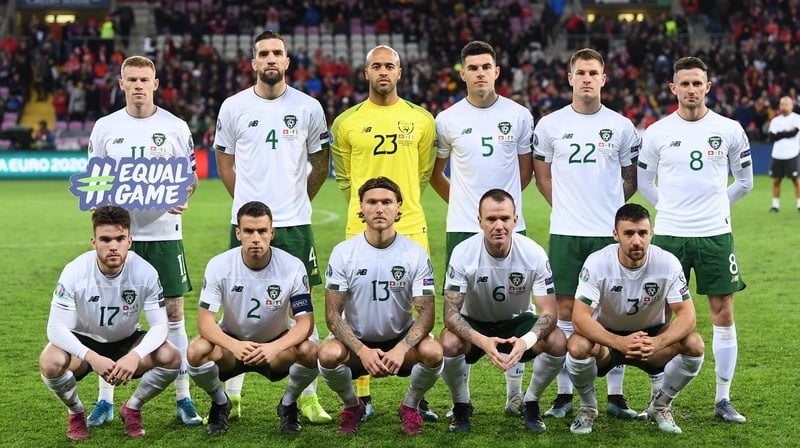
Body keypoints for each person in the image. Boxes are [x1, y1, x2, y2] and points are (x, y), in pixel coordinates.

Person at [214, 30, 331, 424]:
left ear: (286, 61)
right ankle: (233, 395)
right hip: (243, 225)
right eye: (263, 53)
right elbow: (224, 162)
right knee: (236, 305)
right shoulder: (233, 107)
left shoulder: (309, 107)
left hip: (295, 222)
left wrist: (300, 201)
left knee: (303, 308)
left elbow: (321, 163)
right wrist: (249, 211)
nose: (270, 59)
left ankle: (307, 397)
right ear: (253, 62)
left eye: (277, 53)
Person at [87, 55, 202, 427]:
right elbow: (97, 181)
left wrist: (185, 191)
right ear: (121, 84)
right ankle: (105, 400)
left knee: (173, 315)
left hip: (165, 234)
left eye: (144, 79)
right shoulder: (105, 128)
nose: (138, 85)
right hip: (121, 238)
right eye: (131, 79)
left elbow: (190, 178)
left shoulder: (175, 126)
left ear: (155, 83)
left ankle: (183, 397)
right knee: (111, 319)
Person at [638, 56, 753, 423]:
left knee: (723, 312)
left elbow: (746, 181)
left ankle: (723, 399)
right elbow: (644, 184)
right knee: (658, 316)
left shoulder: (731, 129)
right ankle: (659, 398)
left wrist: (715, 209)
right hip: (670, 233)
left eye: (697, 83)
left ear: (708, 86)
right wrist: (671, 210)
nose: (691, 89)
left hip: (715, 234)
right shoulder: (656, 132)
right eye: (684, 83)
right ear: (673, 88)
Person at [531, 47, 641, 419]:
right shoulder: (549, 125)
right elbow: (542, 176)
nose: (587, 79)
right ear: (570, 78)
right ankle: (564, 394)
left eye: (593, 73)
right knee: (564, 310)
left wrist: (608, 213)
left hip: (607, 235)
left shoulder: (622, 126)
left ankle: (615, 395)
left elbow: (631, 179)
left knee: (612, 310)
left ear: (603, 78)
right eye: (581, 73)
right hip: (565, 232)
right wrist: (563, 205)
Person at [329, 44, 437, 421]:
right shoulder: (345, 122)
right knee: (357, 308)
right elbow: (344, 176)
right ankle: (363, 392)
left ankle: (416, 397)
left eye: (389, 65)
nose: (383, 72)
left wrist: (395, 208)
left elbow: (422, 173)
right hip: (360, 222)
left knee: (417, 307)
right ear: (366, 73)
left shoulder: (422, 119)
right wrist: (367, 208)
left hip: (408, 221)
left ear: (400, 72)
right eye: (376, 66)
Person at [430, 40, 534, 417]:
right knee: (459, 315)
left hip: (510, 231)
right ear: (462, 73)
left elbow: (525, 172)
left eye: (486, 66)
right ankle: (463, 401)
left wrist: (501, 214)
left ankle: (514, 396)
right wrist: (465, 208)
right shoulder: (447, 119)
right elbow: (435, 174)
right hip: (462, 228)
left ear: (496, 71)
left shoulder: (520, 115)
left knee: (515, 309)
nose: (479, 73)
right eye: (472, 67)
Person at [39, 206, 181, 440]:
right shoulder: (75, 271)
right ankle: (76, 412)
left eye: (119, 239)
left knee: (171, 356)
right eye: (105, 239)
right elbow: (55, 328)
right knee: (50, 362)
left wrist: (135, 356)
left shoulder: (145, 272)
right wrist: (92, 357)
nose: (113, 246)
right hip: (84, 343)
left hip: (127, 341)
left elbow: (160, 326)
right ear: (94, 241)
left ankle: (132, 407)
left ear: (130, 241)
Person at [318, 177, 442, 436]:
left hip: (400, 339)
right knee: (327, 355)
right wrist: (362, 350)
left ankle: (410, 406)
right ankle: (353, 406)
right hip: (357, 341)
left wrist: (401, 349)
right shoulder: (344, 252)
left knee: (433, 351)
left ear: (399, 207)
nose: (379, 208)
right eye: (372, 202)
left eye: (387, 202)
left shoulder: (415, 253)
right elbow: (332, 315)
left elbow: (427, 313)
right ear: (361, 208)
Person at [566, 203, 705, 434]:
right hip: (607, 342)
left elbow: (688, 316)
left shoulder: (667, 262)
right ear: (615, 235)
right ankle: (588, 408)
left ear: (651, 233)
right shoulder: (597, 262)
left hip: (650, 339)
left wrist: (657, 343)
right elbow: (580, 318)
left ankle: (660, 406)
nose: (637, 241)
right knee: (578, 346)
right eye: (629, 233)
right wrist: (619, 342)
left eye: (642, 233)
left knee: (694, 344)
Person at [187, 201, 320, 436]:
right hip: (231, 347)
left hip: (275, 348)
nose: (256, 238)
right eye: (248, 231)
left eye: (262, 231)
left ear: (272, 233)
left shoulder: (293, 267)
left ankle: (288, 404)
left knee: (310, 351)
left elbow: (305, 322)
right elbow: (205, 322)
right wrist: (234, 345)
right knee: (196, 350)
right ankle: (220, 403)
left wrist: (274, 347)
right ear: (238, 233)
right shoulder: (219, 265)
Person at [440, 189, 565, 433]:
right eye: (491, 219)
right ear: (480, 221)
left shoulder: (533, 253)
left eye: (505, 219)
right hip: (474, 324)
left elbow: (549, 311)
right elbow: (451, 315)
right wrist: (482, 341)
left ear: (515, 220)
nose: (499, 226)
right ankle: (461, 404)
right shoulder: (463, 253)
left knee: (558, 341)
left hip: (516, 322)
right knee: (447, 342)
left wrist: (526, 340)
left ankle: (530, 402)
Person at [765, 96, 800, 213]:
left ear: (791, 106)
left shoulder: (797, 118)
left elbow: (794, 133)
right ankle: (775, 206)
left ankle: (799, 205)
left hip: (792, 154)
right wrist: (787, 132)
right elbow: (771, 138)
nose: (784, 107)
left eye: (786, 104)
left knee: (796, 180)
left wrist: (780, 134)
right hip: (777, 154)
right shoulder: (775, 120)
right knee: (776, 181)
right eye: (782, 104)